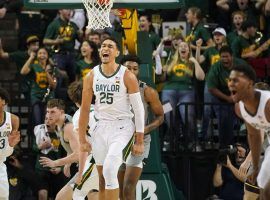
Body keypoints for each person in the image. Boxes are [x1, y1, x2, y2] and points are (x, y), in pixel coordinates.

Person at [78, 37, 145, 200]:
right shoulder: (91, 75)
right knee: (101, 178)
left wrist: (140, 140)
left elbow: (139, 109)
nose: (105, 48)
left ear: (117, 52)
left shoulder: (127, 75)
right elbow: (85, 109)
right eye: (103, 46)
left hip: (122, 127)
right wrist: (82, 139)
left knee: (109, 169)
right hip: (100, 127)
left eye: (110, 46)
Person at [118, 55, 164, 199]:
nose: (132, 71)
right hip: (118, 141)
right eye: (128, 68)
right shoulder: (114, 90)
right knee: (118, 189)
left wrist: (144, 130)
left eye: (135, 68)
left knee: (128, 187)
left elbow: (160, 116)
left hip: (139, 141)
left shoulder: (147, 91)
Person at [228, 64, 270, 199]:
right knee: (262, 183)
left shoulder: (267, 104)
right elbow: (254, 134)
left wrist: (249, 159)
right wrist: (255, 165)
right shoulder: (242, 107)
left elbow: (260, 133)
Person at [206, 46, 246, 147]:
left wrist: (238, 96)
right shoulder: (216, 67)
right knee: (223, 118)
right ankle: (225, 146)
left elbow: (249, 79)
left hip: (240, 94)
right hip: (221, 97)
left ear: (232, 57)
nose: (224, 59)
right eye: (222, 57)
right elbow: (211, 88)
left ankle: (246, 145)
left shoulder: (241, 65)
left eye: (226, 57)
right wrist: (228, 98)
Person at [20, 47, 57, 126]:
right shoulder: (34, 66)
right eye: (40, 53)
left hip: (48, 97)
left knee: (47, 121)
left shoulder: (52, 67)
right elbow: (23, 72)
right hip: (36, 96)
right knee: (37, 120)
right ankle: (38, 137)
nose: (42, 55)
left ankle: (47, 137)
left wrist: (46, 72)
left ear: (47, 56)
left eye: (44, 53)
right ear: (37, 55)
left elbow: (53, 85)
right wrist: (31, 57)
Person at [0, 35, 39, 99]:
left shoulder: (40, 55)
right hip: (25, 86)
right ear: (28, 46)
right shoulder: (20, 55)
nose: (36, 47)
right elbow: (3, 55)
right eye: (34, 45)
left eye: (37, 45)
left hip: (38, 86)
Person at [0, 87, 20, 200]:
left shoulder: (13, 120)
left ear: (4, 101)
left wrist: (11, 145)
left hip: (0, 163)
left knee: (3, 197)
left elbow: (7, 152)